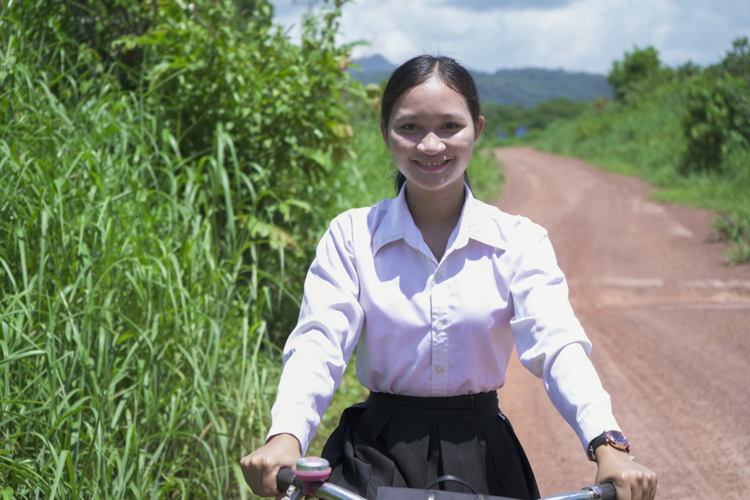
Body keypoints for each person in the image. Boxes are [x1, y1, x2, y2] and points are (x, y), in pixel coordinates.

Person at [240, 55, 657, 500]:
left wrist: (607, 443)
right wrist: (287, 434)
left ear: (476, 130)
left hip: (482, 458)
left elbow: (558, 346)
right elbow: (319, 344)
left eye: (449, 127)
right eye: (411, 127)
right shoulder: (352, 235)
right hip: (372, 456)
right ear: (385, 133)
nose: (431, 145)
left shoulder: (519, 240)